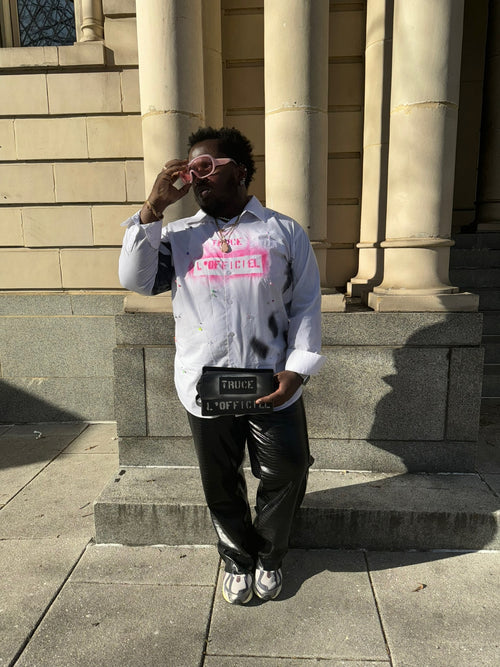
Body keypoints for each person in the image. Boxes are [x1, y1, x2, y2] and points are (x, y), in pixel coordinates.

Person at [119, 127, 325, 605]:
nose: (196, 178)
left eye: (206, 167)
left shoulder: (283, 231)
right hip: (205, 381)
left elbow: (306, 305)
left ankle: (270, 555)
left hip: (271, 379)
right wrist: (152, 209)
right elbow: (135, 279)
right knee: (220, 480)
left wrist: (297, 368)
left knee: (288, 468)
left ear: (241, 171)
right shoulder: (178, 237)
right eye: (191, 170)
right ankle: (237, 558)